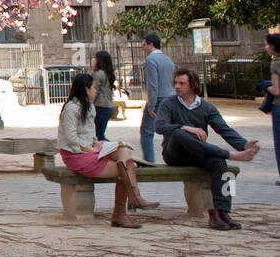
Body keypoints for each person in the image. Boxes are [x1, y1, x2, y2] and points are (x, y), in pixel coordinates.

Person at [157, 68, 261, 230]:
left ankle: (222, 213)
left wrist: (244, 145)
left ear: (192, 85)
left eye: (182, 83)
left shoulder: (206, 107)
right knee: (179, 133)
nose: (177, 86)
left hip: (198, 152)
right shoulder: (168, 103)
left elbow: (223, 129)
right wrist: (188, 128)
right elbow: (160, 126)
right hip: (175, 153)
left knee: (221, 165)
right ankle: (231, 155)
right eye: (175, 83)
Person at [56, 73, 158, 228]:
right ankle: (122, 211)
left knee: (123, 151)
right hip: (76, 154)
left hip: (89, 149)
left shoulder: (89, 106)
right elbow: (71, 137)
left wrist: (96, 143)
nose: (96, 91)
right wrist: (90, 148)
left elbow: (90, 133)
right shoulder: (71, 108)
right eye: (94, 88)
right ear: (86, 89)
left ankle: (131, 202)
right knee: (125, 168)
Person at [140, 33, 176, 163]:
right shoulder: (168, 60)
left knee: (146, 131)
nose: (143, 48)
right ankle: (171, 157)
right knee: (168, 130)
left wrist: (151, 105)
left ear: (151, 44)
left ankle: (149, 161)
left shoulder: (151, 60)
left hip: (159, 99)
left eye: (144, 44)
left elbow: (153, 85)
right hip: (171, 97)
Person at [258, 34, 280, 185]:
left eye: (266, 44)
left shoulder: (276, 64)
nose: (265, 47)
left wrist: (265, 86)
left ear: (273, 46)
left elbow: (276, 90)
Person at [92, 51, 117, 142]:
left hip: (100, 105)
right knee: (101, 133)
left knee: (99, 135)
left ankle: (109, 149)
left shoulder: (98, 74)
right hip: (109, 105)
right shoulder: (109, 73)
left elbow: (94, 90)